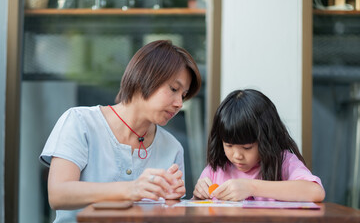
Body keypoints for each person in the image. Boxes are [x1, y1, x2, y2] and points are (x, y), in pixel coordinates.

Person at [39, 40, 202, 222]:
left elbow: (168, 215)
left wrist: (172, 201)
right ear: (144, 77)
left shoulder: (172, 147)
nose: (179, 103)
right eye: (173, 89)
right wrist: (132, 188)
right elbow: (58, 194)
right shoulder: (80, 122)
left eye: (183, 95)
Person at [193, 89, 325, 202]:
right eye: (228, 145)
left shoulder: (283, 162)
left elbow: (316, 192)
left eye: (247, 148)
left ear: (266, 141)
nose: (237, 155)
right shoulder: (216, 169)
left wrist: (251, 187)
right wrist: (198, 195)